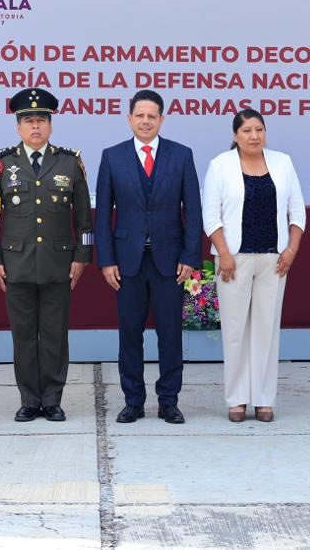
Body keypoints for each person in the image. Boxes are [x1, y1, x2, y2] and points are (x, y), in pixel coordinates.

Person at [0, 88, 93, 422]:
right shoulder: (2, 164)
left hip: (58, 264)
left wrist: (81, 257)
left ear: (50, 125)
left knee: (55, 336)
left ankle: (53, 400)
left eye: (41, 120)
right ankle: (30, 400)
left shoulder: (69, 162)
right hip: (16, 265)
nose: (35, 126)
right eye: (29, 121)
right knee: (24, 337)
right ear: (18, 127)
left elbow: (83, 219)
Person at [95, 90, 203, 424]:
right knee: (129, 334)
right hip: (127, 262)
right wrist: (106, 260)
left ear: (161, 119)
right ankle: (134, 401)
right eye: (139, 115)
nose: (145, 121)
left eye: (151, 116)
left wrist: (190, 256)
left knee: (170, 334)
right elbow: (103, 214)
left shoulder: (181, 155)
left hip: (170, 262)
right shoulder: (112, 156)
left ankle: (169, 401)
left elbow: (193, 210)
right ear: (129, 119)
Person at [202, 109, 305, 422]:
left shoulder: (282, 162)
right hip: (233, 260)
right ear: (235, 135)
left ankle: (263, 399)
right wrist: (224, 253)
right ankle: (236, 399)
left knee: (266, 330)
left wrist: (291, 250)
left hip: (274, 260)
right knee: (235, 331)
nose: (254, 136)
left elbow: (297, 212)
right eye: (246, 130)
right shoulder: (220, 165)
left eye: (259, 129)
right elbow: (211, 215)